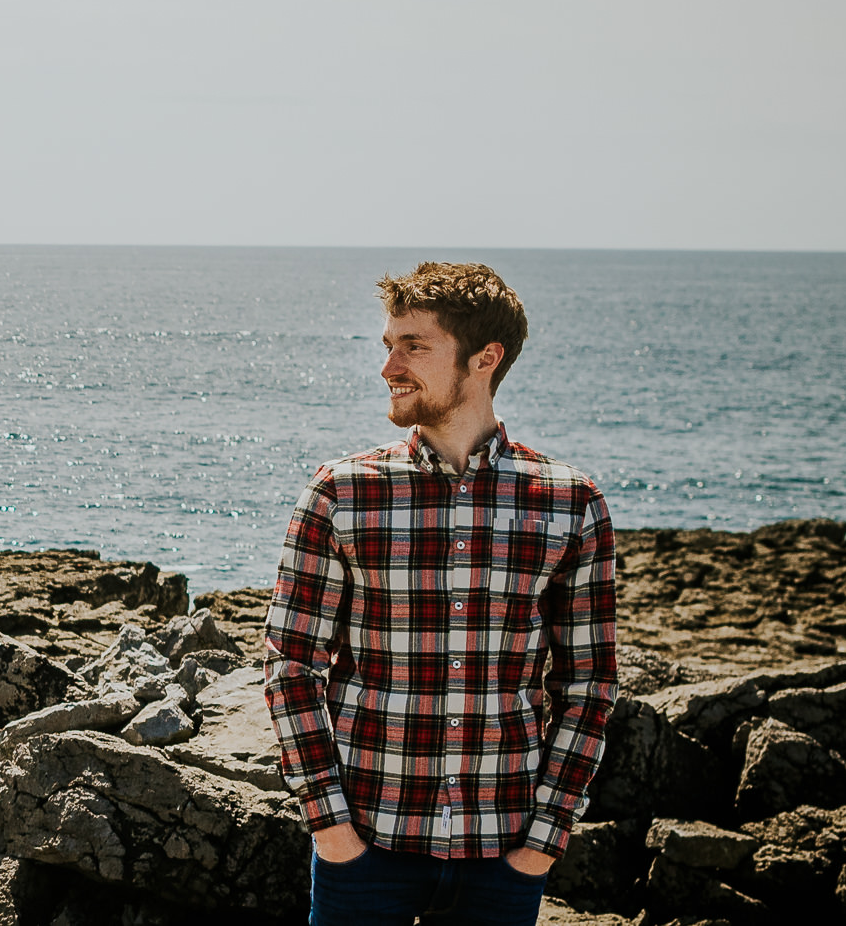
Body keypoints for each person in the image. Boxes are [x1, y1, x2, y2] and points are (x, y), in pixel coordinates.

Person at [262, 263, 617, 926]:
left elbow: (590, 685)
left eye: (413, 346)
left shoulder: (571, 503)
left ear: (485, 359)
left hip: (505, 858)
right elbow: (290, 669)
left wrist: (542, 845)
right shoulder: (341, 494)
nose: (388, 366)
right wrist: (333, 833)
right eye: (388, 345)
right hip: (365, 852)